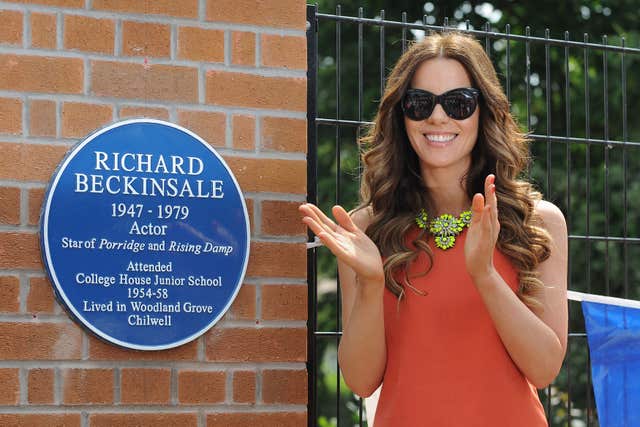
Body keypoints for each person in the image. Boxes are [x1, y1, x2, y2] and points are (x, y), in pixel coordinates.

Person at [300, 31, 568, 426]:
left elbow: (545, 369)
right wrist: (372, 284)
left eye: (459, 103)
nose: (437, 117)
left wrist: (485, 275)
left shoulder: (537, 221)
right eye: (420, 103)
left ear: (484, 113)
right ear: (401, 114)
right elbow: (360, 381)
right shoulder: (367, 229)